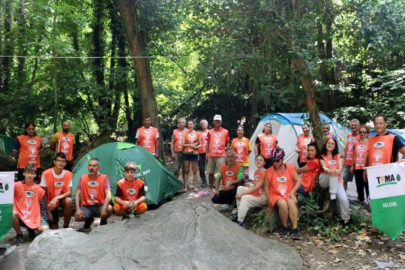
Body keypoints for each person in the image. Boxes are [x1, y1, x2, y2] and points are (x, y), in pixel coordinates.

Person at [265, 148, 301, 240]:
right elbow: (266, 187)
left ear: (282, 159)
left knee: (291, 202)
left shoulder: (291, 168)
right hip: (276, 195)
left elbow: (298, 181)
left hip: (288, 193)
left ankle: (295, 228)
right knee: (282, 203)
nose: (275, 163)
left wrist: (292, 192)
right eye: (273, 160)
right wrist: (269, 203)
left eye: (277, 160)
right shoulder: (269, 171)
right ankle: (285, 226)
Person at [12, 164, 49, 246]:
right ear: (24, 173)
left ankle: (31, 229)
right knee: (12, 214)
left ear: (35, 175)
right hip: (21, 215)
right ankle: (19, 235)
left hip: (34, 216)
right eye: (28, 172)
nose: (30, 175)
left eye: (32, 173)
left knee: (45, 229)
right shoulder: (16, 185)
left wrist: (46, 220)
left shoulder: (39, 189)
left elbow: (42, 206)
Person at [74, 158, 113, 231]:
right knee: (78, 217)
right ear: (87, 167)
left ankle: (103, 221)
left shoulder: (104, 178)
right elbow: (77, 193)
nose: (91, 168)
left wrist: (104, 208)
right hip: (86, 206)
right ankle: (89, 220)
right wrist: (77, 209)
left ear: (99, 167)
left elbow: (108, 194)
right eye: (90, 165)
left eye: (94, 166)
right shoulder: (83, 178)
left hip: (99, 206)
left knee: (109, 208)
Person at [319, 138, 350, 225]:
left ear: (335, 146)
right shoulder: (322, 156)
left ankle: (346, 220)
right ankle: (333, 197)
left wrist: (336, 171)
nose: (330, 145)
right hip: (324, 178)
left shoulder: (338, 156)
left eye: (332, 144)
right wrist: (330, 171)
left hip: (336, 179)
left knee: (344, 199)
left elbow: (340, 168)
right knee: (333, 172)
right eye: (328, 143)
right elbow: (324, 167)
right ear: (325, 144)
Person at [40, 152, 73, 229]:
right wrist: (48, 211)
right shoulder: (46, 174)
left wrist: (57, 198)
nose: (61, 163)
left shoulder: (68, 174)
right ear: (54, 161)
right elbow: (43, 193)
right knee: (54, 228)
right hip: (49, 202)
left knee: (69, 201)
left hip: (61, 199)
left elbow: (69, 192)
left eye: (63, 161)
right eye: (59, 161)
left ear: (66, 163)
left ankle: (66, 227)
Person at [233, 155, 267, 227]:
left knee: (245, 197)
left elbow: (257, 187)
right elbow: (255, 186)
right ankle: (240, 212)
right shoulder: (256, 172)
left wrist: (242, 194)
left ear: (264, 162)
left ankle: (240, 220)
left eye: (261, 160)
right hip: (257, 192)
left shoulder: (265, 173)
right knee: (240, 188)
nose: (258, 161)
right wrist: (250, 186)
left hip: (263, 196)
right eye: (257, 160)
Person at [206, 114, 230, 192]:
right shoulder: (210, 132)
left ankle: (222, 187)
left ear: (221, 122)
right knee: (210, 172)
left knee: (222, 172)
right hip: (211, 155)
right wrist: (207, 153)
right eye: (216, 120)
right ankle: (210, 188)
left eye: (218, 121)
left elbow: (228, 143)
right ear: (213, 122)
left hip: (221, 155)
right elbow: (208, 143)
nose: (217, 122)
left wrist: (228, 154)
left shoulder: (225, 131)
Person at [351, 126, 370, 205]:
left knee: (367, 185)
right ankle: (361, 201)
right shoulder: (356, 143)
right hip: (357, 167)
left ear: (367, 133)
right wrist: (352, 165)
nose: (362, 134)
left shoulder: (370, 142)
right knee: (359, 185)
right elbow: (354, 155)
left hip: (366, 168)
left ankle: (369, 202)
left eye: (364, 132)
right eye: (360, 132)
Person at [182, 120, 202, 192]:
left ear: (194, 125)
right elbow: (182, 144)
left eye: (191, 124)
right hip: (186, 153)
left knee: (194, 171)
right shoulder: (185, 133)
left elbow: (200, 144)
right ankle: (186, 186)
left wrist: (197, 147)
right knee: (186, 170)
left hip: (194, 153)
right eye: (189, 124)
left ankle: (195, 187)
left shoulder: (197, 133)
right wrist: (191, 145)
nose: (190, 125)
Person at [342, 119, 360, 190]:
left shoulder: (360, 136)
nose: (353, 127)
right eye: (352, 125)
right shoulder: (348, 136)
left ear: (358, 126)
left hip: (357, 162)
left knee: (358, 181)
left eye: (355, 125)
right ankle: (343, 197)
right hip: (347, 162)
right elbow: (347, 147)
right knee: (344, 180)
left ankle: (359, 198)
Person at [198, 119, 209, 188]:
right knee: (201, 168)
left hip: (209, 152)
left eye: (204, 123)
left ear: (207, 124)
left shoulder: (210, 132)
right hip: (200, 152)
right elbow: (196, 142)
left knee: (210, 167)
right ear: (200, 125)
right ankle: (204, 181)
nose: (203, 124)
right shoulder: (198, 133)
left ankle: (212, 181)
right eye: (202, 123)